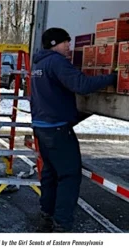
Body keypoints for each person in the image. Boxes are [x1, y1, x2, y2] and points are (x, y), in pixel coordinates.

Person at [30, 27, 117, 233]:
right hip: (57, 128)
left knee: (51, 173)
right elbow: (81, 85)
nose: (69, 46)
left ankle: (46, 216)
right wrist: (113, 77)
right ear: (54, 44)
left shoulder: (39, 64)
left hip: (42, 127)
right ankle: (62, 223)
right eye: (65, 42)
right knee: (69, 175)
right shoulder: (56, 62)